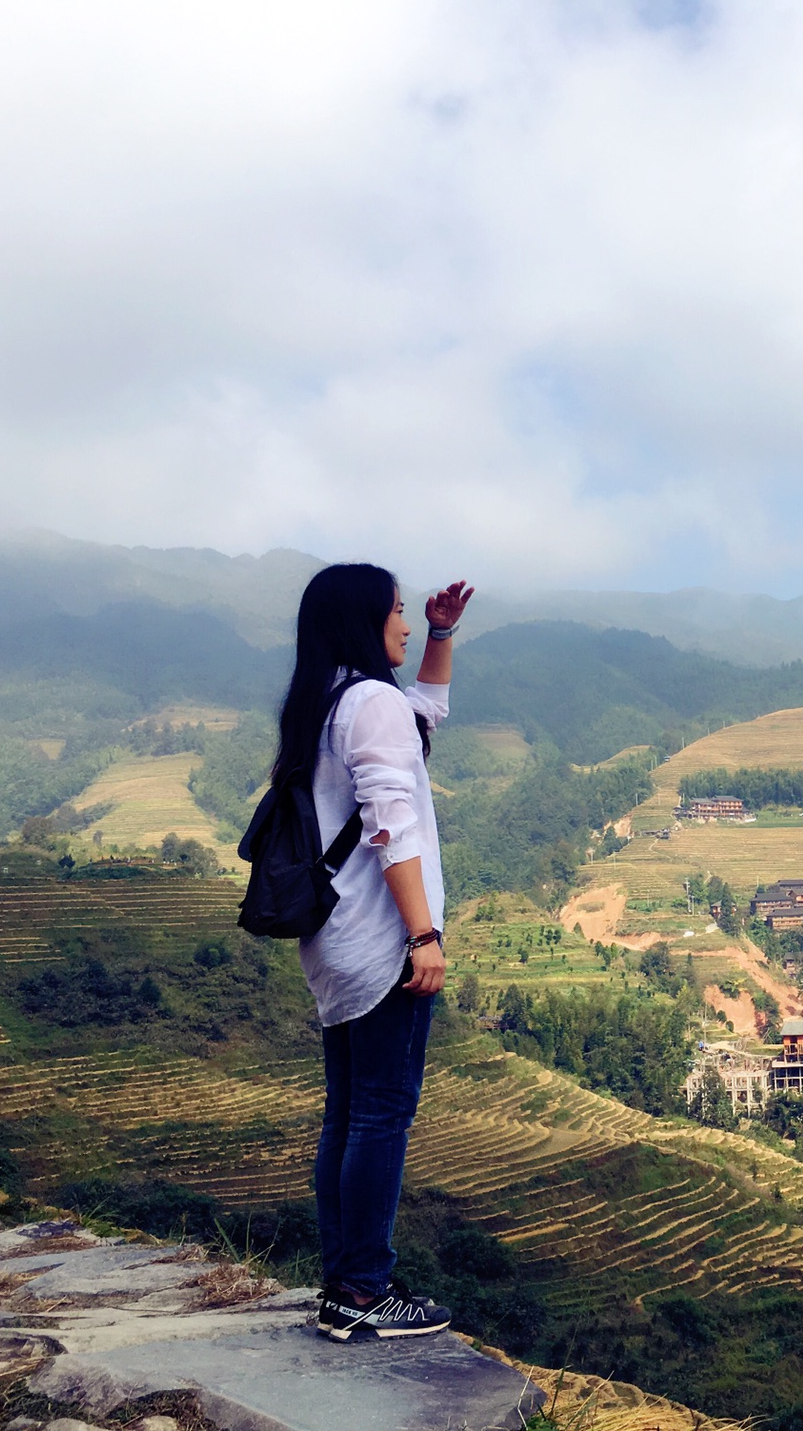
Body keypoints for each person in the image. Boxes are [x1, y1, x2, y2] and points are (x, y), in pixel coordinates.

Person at [270, 563, 472, 1342]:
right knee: (382, 1115)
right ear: (364, 620)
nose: (407, 625)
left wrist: (445, 636)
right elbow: (394, 825)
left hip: (335, 939)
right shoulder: (369, 704)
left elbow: (423, 715)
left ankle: (343, 1285)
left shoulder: (327, 702)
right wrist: (423, 935)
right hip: (382, 938)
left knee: (351, 1113)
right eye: (398, 613)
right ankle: (364, 1287)